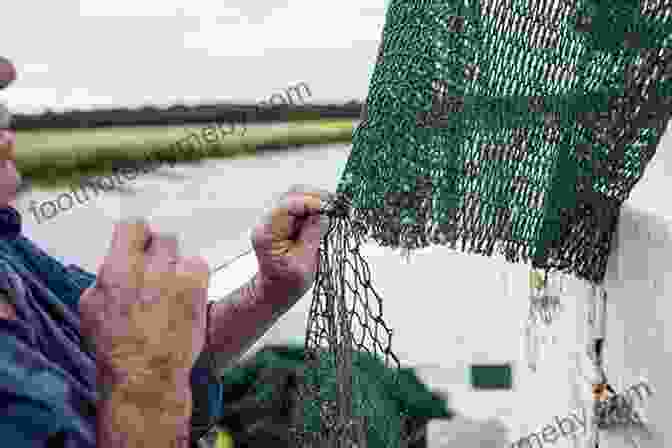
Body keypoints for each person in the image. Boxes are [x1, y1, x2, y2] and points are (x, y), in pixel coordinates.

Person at [0, 56, 332, 447]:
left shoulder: (11, 250)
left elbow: (160, 340)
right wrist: (147, 391)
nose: (7, 74)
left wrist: (269, 289)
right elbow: (146, 363)